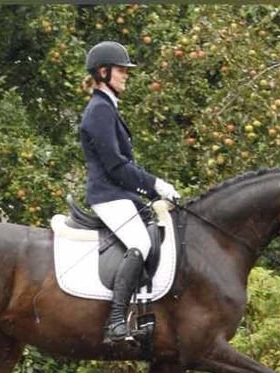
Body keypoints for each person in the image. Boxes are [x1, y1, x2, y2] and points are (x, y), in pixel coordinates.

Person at [79, 40, 181, 343]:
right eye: (121, 70)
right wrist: (155, 185)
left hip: (120, 195)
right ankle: (115, 322)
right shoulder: (99, 110)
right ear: (103, 72)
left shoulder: (107, 108)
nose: (126, 75)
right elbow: (116, 166)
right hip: (107, 196)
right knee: (140, 243)